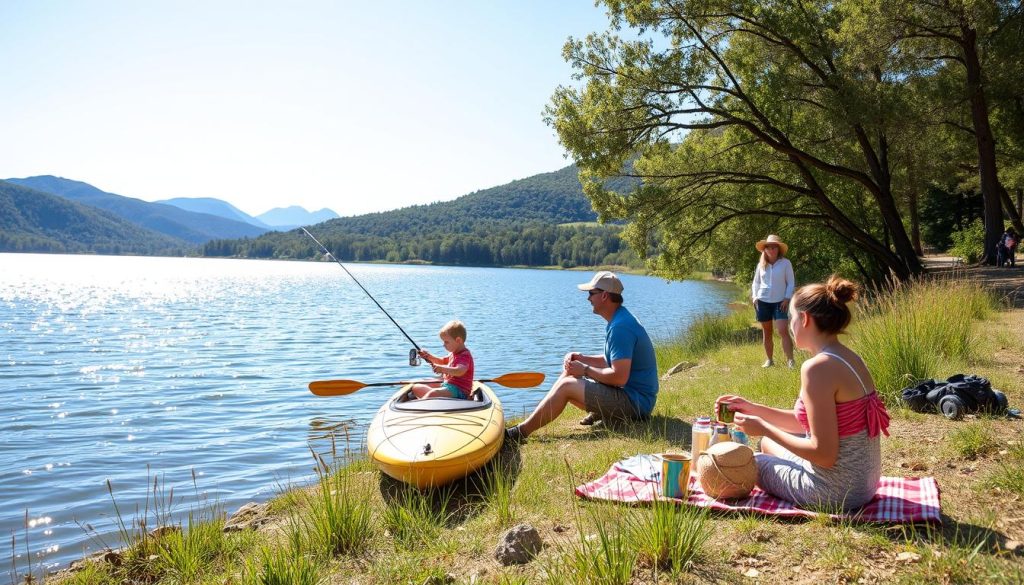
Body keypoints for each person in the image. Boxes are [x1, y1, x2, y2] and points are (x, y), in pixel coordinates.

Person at [715, 276, 891, 511]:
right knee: (767, 444)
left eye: (791, 318)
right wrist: (751, 408)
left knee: (747, 463)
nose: (789, 325)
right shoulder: (849, 358)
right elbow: (806, 424)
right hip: (862, 485)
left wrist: (764, 427)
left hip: (835, 492)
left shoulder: (817, 368)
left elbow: (824, 454)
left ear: (805, 319)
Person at [504, 271, 658, 442]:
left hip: (637, 405)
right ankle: (537, 417)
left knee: (567, 387)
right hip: (632, 398)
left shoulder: (621, 327)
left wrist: (585, 370)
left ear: (605, 295)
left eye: (591, 294)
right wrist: (581, 358)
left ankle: (519, 433)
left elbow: (619, 377)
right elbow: (611, 361)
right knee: (570, 373)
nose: (588, 299)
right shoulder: (619, 320)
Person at [751, 234, 795, 368]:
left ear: (778, 249)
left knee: (783, 330)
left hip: (780, 302)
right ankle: (769, 360)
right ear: (765, 249)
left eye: (774, 247)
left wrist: (787, 298)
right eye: (768, 248)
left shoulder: (786, 263)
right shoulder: (761, 264)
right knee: (767, 332)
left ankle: (790, 361)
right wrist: (755, 297)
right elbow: (756, 283)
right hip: (762, 301)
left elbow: (791, 283)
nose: (771, 250)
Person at [409, 320, 474, 399]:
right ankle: (433, 400)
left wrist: (442, 369)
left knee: (432, 394)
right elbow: (442, 361)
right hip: (448, 385)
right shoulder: (453, 353)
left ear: (458, 340)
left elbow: (460, 370)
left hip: (460, 391)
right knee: (417, 387)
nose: (444, 345)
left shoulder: (464, 355)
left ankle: (426, 403)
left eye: (446, 342)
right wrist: (428, 356)